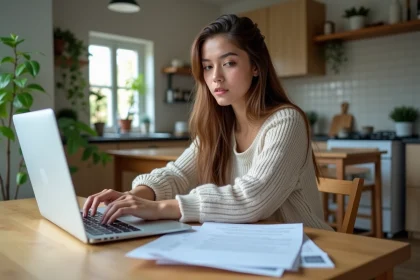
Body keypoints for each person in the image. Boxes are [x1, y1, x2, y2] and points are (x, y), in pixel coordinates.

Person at [83, 14, 331, 231]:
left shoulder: (286, 121)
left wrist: (160, 208)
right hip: (247, 244)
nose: (216, 77)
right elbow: (177, 175)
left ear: (256, 66)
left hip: (307, 247)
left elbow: (253, 199)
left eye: (228, 63)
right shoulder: (220, 127)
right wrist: (134, 197)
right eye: (208, 67)